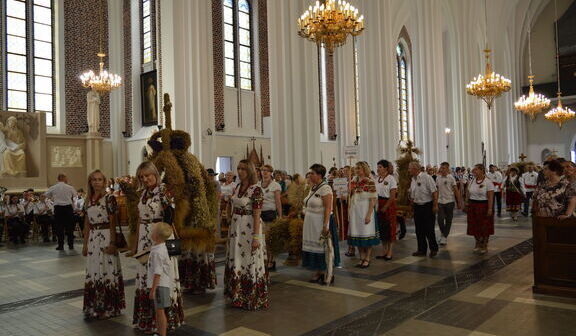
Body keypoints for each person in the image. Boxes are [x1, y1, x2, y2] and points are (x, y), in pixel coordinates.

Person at [129, 162, 184, 333]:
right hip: (145, 238)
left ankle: (164, 320)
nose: (145, 179)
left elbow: (169, 214)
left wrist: (161, 239)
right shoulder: (143, 193)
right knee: (146, 275)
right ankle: (147, 319)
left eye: (148, 175)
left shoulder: (164, 190)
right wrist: (135, 243)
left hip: (160, 236)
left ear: (155, 173)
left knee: (162, 276)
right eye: (142, 177)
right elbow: (140, 219)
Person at [224, 160, 269, 310]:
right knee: (236, 258)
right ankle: (237, 295)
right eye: (238, 168)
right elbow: (232, 204)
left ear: (249, 170)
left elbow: (257, 214)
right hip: (236, 229)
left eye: (243, 168)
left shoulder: (256, 189)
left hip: (249, 228)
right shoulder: (237, 186)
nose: (240, 171)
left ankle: (250, 296)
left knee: (249, 259)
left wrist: (256, 237)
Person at [82, 170, 125, 319]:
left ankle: (109, 307)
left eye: (100, 179)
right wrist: (85, 244)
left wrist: (113, 243)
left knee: (107, 270)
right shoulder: (87, 200)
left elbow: (113, 222)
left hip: (107, 236)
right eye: (94, 179)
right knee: (94, 271)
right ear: (90, 182)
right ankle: (95, 306)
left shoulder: (109, 198)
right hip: (94, 239)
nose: (97, 182)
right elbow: (87, 223)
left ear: (104, 181)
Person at [302, 164, 340, 285]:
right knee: (315, 247)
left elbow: (328, 208)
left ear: (319, 175)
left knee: (325, 247)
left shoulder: (326, 188)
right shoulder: (312, 187)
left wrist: (326, 226)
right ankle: (318, 271)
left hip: (321, 222)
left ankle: (328, 273)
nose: (310, 175)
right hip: (311, 223)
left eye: (312, 173)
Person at [347, 161, 379, 268]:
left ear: (364, 169)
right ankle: (361, 257)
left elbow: (373, 199)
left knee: (366, 233)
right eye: (356, 168)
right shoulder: (353, 181)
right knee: (357, 233)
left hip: (365, 208)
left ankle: (368, 258)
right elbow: (350, 195)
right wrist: (346, 193)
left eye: (359, 168)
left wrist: (369, 214)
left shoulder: (369, 181)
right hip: (355, 210)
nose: (356, 170)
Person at [148, 222, 174, 336]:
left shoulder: (158, 252)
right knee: (159, 312)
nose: (150, 232)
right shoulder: (160, 247)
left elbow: (157, 273)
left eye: (152, 231)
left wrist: (153, 290)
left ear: (156, 236)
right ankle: (159, 332)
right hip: (160, 285)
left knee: (160, 312)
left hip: (159, 286)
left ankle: (162, 334)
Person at [408, 161, 439, 257]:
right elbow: (413, 195)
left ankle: (433, 249)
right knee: (419, 230)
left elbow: (434, 192)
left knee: (429, 229)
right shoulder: (413, 180)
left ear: (415, 169)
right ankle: (421, 250)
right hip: (417, 207)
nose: (408, 170)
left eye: (409, 168)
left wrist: (435, 205)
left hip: (427, 206)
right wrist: (411, 207)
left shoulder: (426, 177)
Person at [465, 164, 494, 255]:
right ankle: (477, 242)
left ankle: (484, 244)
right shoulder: (471, 181)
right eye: (474, 169)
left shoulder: (488, 182)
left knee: (484, 226)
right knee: (473, 225)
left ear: (482, 170)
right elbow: (468, 192)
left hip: (484, 205)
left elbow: (490, 197)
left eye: (476, 169)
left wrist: (490, 208)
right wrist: (466, 203)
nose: (474, 171)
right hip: (473, 205)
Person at [258, 164, 283, 271]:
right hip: (259, 214)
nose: (265, 172)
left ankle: (271, 260)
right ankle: (263, 259)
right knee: (261, 239)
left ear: (270, 172)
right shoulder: (258, 184)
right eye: (263, 170)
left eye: (267, 171)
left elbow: (278, 202)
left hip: (270, 213)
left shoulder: (275, 185)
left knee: (269, 239)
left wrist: (280, 215)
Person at [45, 174, 77, 250]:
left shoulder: (53, 187)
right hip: (68, 208)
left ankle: (61, 245)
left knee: (59, 227)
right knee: (69, 227)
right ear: (63, 178)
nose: (67, 179)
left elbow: (46, 194)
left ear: (58, 179)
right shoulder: (69, 187)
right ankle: (71, 245)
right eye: (66, 177)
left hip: (58, 208)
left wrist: (54, 198)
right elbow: (75, 195)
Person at [375, 160, 397, 260]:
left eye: (380, 167)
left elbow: (392, 196)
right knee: (382, 229)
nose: (378, 169)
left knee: (390, 228)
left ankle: (390, 252)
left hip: (388, 205)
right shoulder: (377, 179)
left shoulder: (391, 178)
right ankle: (384, 251)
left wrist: (386, 206)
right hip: (378, 204)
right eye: (377, 167)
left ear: (386, 168)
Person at [436, 162, 462, 246]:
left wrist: (459, 202)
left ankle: (444, 236)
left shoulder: (451, 178)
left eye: (443, 168)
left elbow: (456, 190)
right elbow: (436, 190)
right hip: (440, 201)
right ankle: (443, 233)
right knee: (440, 219)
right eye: (441, 167)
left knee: (448, 220)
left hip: (449, 201)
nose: (441, 169)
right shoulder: (438, 178)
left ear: (447, 169)